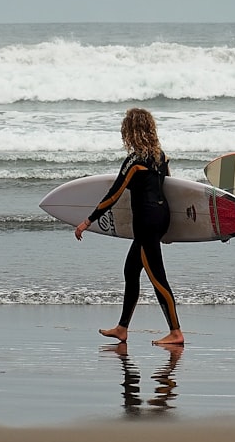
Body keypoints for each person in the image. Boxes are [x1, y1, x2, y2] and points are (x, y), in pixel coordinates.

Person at [74, 108, 184, 346]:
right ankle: (122, 328)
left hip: (146, 222)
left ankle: (176, 332)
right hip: (160, 217)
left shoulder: (134, 161)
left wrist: (88, 221)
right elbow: (169, 188)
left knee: (157, 279)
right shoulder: (161, 157)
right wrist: (170, 229)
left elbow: (113, 194)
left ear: (130, 131)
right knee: (131, 271)